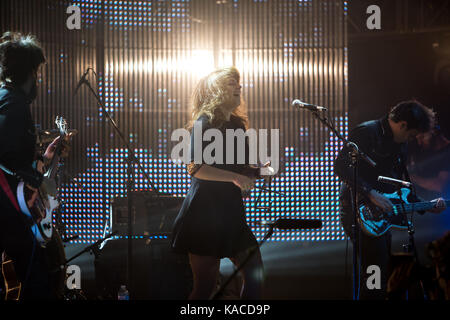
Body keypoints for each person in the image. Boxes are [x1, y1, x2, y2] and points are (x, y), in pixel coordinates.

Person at [171, 67, 268, 300]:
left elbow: (239, 169)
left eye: (239, 83)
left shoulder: (237, 125)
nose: (239, 87)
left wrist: (259, 171)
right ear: (216, 90)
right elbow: (196, 168)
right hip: (203, 215)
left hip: (232, 214)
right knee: (204, 288)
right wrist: (235, 178)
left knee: (255, 276)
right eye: (232, 83)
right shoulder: (203, 122)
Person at [334, 100, 447, 299]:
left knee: (378, 268)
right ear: (403, 125)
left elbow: (399, 187)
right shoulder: (367, 132)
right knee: (374, 266)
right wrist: (370, 193)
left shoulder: (398, 147)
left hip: (380, 216)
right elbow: (341, 166)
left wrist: (427, 206)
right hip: (357, 209)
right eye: (411, 135)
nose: (410, 140)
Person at [0, 31, 69, 300]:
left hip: (11, 206)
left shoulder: (8, 98)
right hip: (10, 209)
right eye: (36, 72)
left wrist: (44, 159)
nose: (38, 79)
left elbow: (13, 155)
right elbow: (5, 153)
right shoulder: (13, 103)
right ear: (28, 72)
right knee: (39, 279)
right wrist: (36, 179)